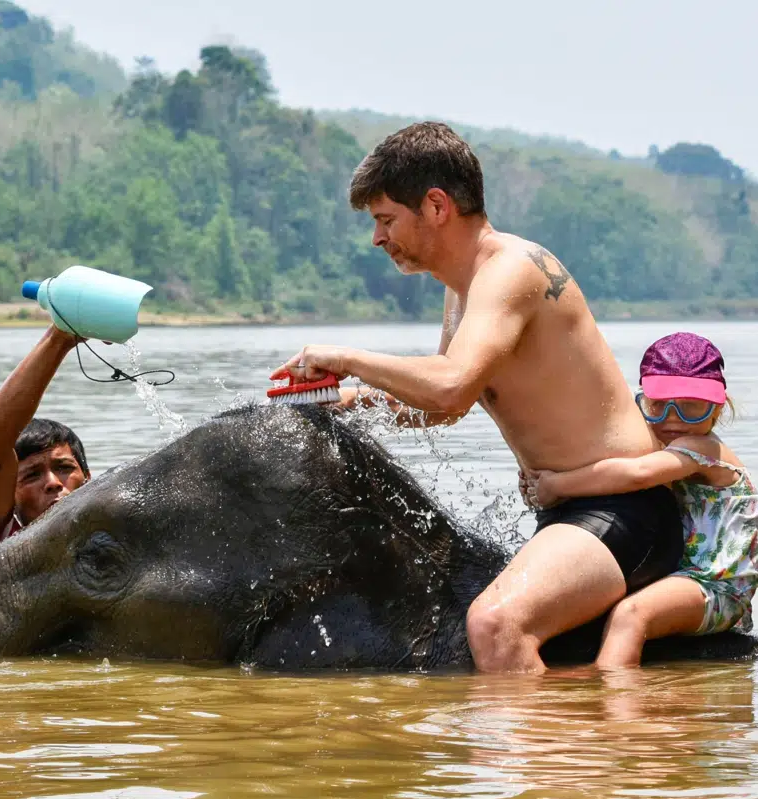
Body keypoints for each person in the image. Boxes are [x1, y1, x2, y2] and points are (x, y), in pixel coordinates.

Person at [272, 121, 684, 674]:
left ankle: (568, 763)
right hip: (569, 512)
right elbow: (443, 406)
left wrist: (347, 358)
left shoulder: (511, 270)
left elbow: (451, 381)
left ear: (436, 205)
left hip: (625, 509)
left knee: (495, 625)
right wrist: (347, 401)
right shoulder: (462, 287)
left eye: (386, 220)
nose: (377, 238)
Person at [522, 332, 758, 668]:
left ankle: (618, 697)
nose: (672, 418)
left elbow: (636, 473)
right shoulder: (670, 442)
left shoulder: (703, 449)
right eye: (658, 406)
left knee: (631, 614)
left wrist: (558, 485)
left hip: (718, 588)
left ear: (716, 409)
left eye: (691, 408)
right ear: (642, 403)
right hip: (687, 577)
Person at [0, 325, 91, 554]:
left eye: (64, 467)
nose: (53, 483)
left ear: (89, 480)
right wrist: (60, 338)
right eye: (31, 475)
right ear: (9, 500)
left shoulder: (118, 535)